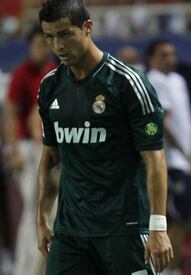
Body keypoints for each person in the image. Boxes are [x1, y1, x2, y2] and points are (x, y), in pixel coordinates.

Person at [36, 1, 173, 274]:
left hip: (125, 229)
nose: (57, 45)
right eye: (49, 36)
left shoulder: (127, 82)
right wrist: (41, 218)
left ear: (87, 27)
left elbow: (155, 158)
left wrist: (158, 226)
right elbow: (51, 157)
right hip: (70, 233)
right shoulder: (50, 86)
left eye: (64, 34)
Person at [146, 39, 191, 274]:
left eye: (172, 54)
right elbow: (164, 124)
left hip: (187, 161)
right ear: (152, 59)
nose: (171, 58)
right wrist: (183, 154)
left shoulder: (178, 80)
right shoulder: (153, 80)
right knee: (179, 220)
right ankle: (166, 270)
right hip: (170, 163)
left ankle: (175, 268)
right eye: (164, 55)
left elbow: (186, 121)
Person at [3, 24, 55, 275]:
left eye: (45, 44)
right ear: (29, 47)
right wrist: (12, 150)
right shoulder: (21, 74)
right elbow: (11, 116)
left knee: (46, 211)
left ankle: (39, 266)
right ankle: (25, 269)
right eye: (37, 44)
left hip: (47, 147)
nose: (41, 49)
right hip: (26, 147)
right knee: (34, 210)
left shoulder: (53, 71)